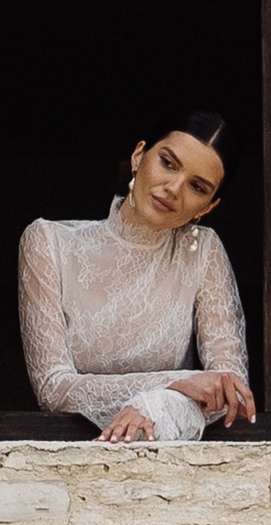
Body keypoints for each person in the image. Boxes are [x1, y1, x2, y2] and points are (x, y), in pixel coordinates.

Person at [16, 118, 257, 443]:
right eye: (168, 163)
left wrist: (155, 406)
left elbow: (230, 391)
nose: (173, 188)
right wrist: (177, 384)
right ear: (138, 156)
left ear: (209, 206)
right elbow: (53, 388)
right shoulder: (48, 242)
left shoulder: (202, 252)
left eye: (197, 187)